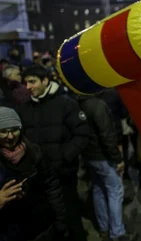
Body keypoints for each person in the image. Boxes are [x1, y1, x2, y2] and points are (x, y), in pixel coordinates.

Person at [17, 66, 89, 241]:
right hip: (39, 176)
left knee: (71, 216)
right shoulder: (25, 108)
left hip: (63, 174)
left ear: (45, 81)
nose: (28, 87)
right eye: (26, 82)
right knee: (47, 220)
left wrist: (64, 157)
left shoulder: (66, 103)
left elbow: (82, 134)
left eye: (32, 82)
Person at [0, 107, 68, 241]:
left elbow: (52, 187)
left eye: (14, 129)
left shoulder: (35, 152)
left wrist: (60, 221)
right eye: (3, 131)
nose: (10, 136)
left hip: (42, 228)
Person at [77, 96, 138, 241]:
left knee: (98, 190)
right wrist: (117, 159)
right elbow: (107, 135)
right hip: (103, 156)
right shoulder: (97, 105)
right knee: (115, 191)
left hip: (89, 155)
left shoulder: (77, 103)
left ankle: (103, 227)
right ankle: (117, 233)